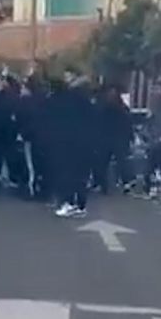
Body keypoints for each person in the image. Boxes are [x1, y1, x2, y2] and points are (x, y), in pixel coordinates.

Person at [48, 68, 95, 217]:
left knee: (67, 173)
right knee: (80, 175)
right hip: (84, 141)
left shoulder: (68, 98)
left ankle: (68, 202)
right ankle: (80, 205)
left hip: (69, 141)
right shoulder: (86, 99)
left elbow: (59, 119)